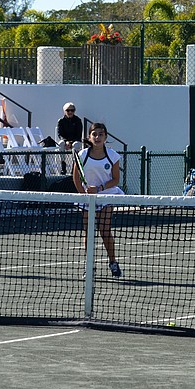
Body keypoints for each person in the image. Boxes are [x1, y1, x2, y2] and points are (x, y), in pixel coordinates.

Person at [74, 122, 124, 278]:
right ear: (90, 137)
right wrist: (85, 195)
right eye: (94, 134)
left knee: (104, 229)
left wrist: (100, 189)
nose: (97, 137)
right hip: (88, 199)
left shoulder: (113, 156)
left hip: (106, 196)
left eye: (101, 134)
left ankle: (113, 262)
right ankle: (90, 267)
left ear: (105, 137)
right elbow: (76, 177)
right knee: (89, 232)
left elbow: (116, 179)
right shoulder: (82, 155)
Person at [56, 102, 84, 174]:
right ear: (64, 111)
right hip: (65, 141)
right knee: (61, 143)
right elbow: (60, 134)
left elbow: (79, 135)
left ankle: (73, 167)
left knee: (76, 145)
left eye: (72, 110)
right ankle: (63, 166)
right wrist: (66, 141)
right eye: (68, 110)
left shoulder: (78, 120)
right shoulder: (61, 121)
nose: (70, 112)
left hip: (75, 141)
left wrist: (71, 142)